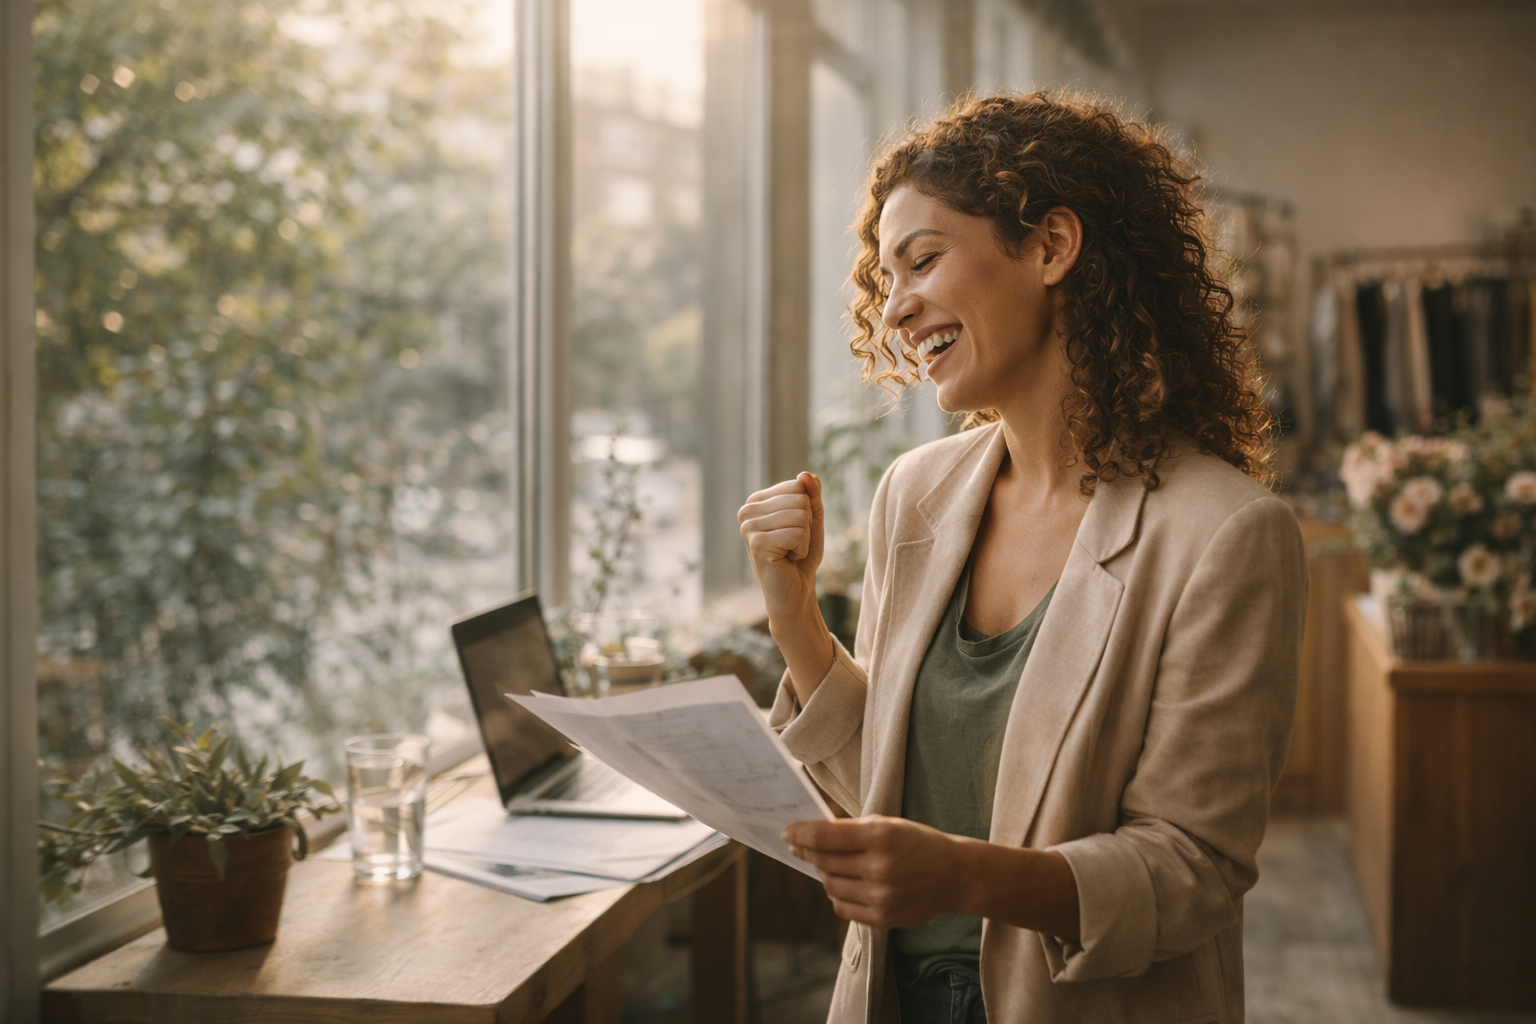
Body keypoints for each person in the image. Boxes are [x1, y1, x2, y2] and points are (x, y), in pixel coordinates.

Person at [737, 91, 1307, 1024]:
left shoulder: (1225, 532)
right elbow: (876, 791)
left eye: (923, 260)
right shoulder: (914, 496)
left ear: (1051, 247)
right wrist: (796, 620)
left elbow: (1194, 868)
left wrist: (964, 874)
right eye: (888, 280)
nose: (897, 311)